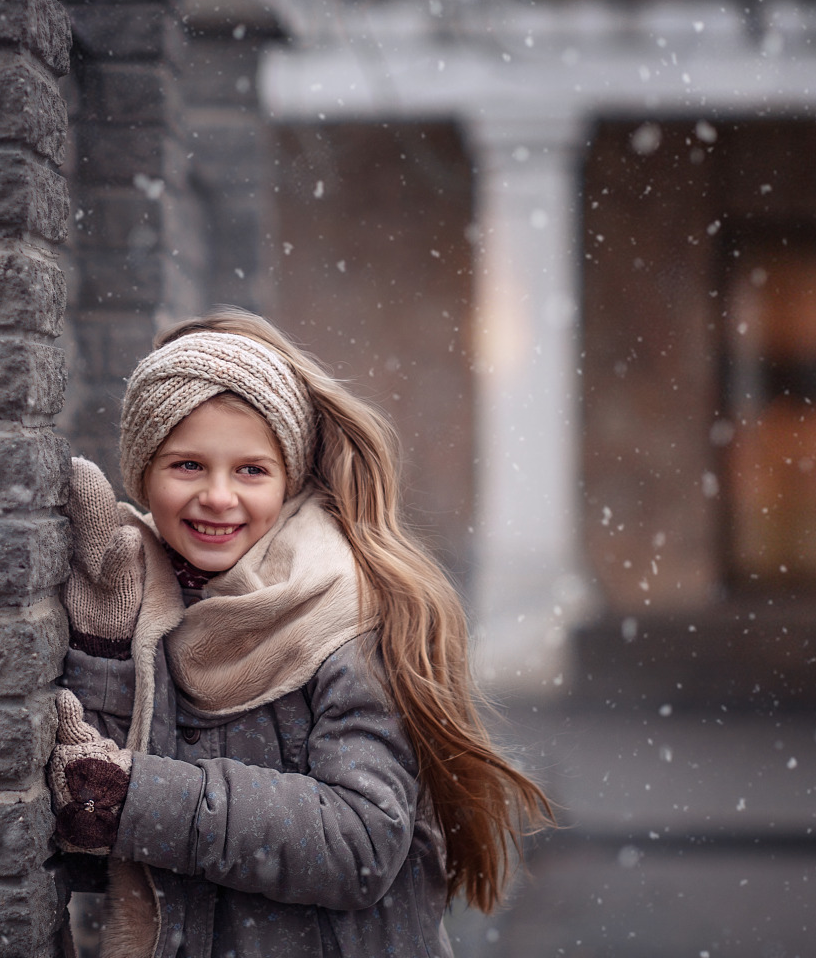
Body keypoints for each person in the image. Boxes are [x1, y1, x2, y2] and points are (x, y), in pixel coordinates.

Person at [47, 308, 551, 958]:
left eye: (251, 470)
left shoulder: (344, 613)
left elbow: (361, 844)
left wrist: (134, 797)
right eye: (187, 466)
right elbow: (105, 850)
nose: (219, 496)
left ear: (288, 480)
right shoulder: (158, 597)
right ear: (143, 473)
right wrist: (109, 645)